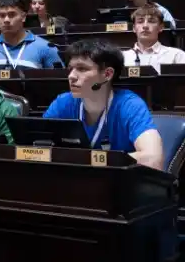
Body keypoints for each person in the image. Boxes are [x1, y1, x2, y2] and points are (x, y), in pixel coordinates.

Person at [44, 39, 165, 170]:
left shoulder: (130, 105)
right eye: (71, 69)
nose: (71, 76)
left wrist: (88, 160)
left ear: (107, 74)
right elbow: (34, 148)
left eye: (82, 69)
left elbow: (153, 159)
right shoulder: (63, 102)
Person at [0, 0, 63, 69]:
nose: (6, 20)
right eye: (2, 15)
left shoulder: (46, 48)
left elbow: (58, 82)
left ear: (23, 17)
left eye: (12, 15)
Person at [122, 5, 185, 73]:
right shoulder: (122, 58)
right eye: (140, 22)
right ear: (134, 28)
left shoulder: (177, 56)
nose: (145, 26)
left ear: (161, 27)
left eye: (151, 21)